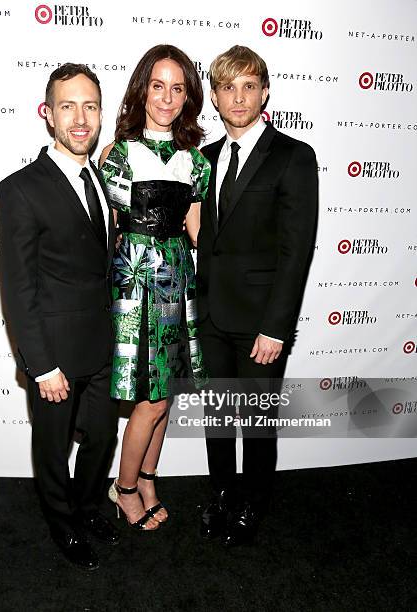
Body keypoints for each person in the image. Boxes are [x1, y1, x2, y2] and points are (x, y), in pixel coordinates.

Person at [0, 63, 120, 570]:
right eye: (67, 106)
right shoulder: (21, 188)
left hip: (104, 343)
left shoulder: (108, 178)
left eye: (90, 105)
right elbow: (18, 287)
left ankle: (88, 506)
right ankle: (61, 524)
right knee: (52, 449)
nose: (80, 117)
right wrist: (40, 364)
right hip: (54, 352)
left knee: (102, 438)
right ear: (47, 115)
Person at [197, 45, 318, 547]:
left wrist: (275, 327)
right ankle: (223, 494)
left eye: (249, 86)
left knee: (257, 421)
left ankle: (253, 502)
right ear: (215, 97)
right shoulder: (202, 160)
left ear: (265, 91)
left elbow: (297, 252)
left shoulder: (293, 156)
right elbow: (203, 237)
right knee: (218, 418)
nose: (239, 97)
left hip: (260, 324)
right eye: (228, 87)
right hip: (209, 316)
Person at [99, 44, 210, 530]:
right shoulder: (117, 156)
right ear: (142, 88)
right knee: (151, 399)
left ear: (188, 97)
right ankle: (122, 490)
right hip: (137, 284)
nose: (166, 97)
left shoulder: (196, 163)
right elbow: (117, 228)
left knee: (165, 395)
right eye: (158, 85)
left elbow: (198, 234)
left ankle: (147, 479)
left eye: (178, 88)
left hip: (177, 281)